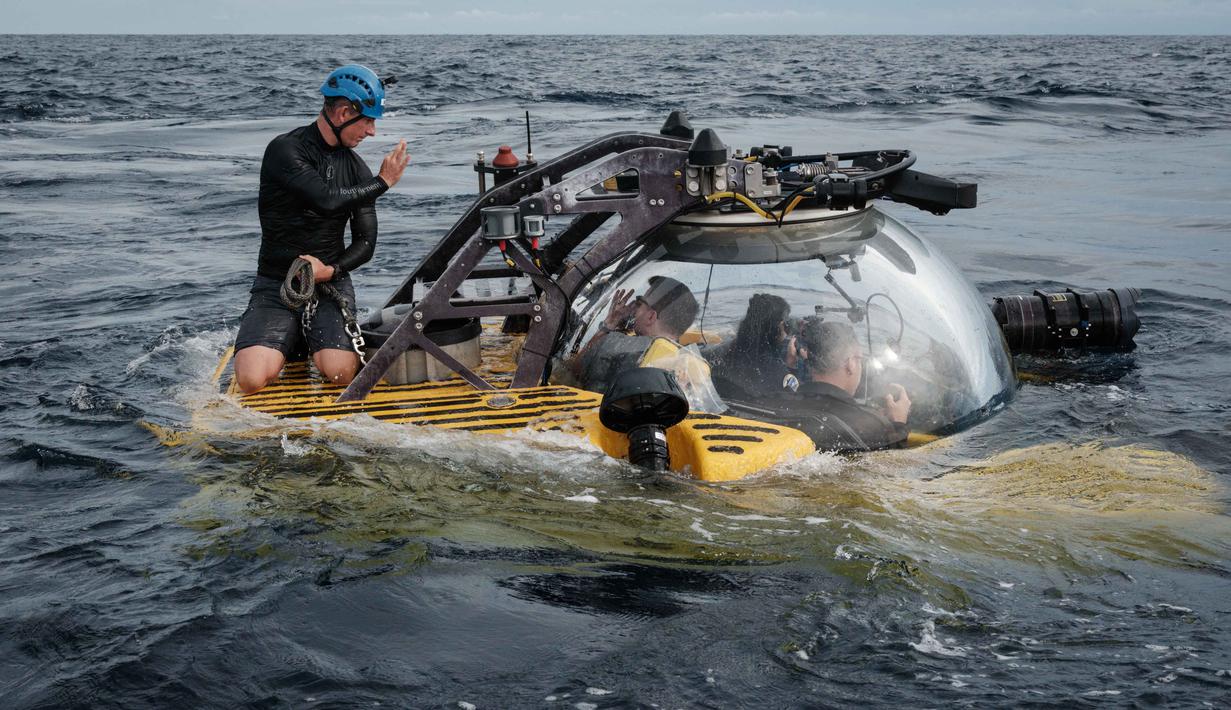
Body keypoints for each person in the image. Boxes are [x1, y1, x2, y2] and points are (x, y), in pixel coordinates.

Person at [233, 64, 410, 394]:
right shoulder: (285, 150)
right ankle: (290, 336)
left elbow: (366, 242)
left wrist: (331, 270)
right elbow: (326, 199)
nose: (372, 132)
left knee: (340, 374)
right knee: (252, 380)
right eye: (368, 121)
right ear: (344, 113)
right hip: (277, 283)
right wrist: (384, 181)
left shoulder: (357, 169)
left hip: (330, 285)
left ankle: (304, 337)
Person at [779, 318, 912, 452]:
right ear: (850, 363)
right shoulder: (869, 427)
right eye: (859, 359)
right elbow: (892, 464)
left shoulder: (780, 402)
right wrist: (898, 423)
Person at [572, 276, 701, 395]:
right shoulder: (687, 365)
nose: (633, 310)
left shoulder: (612, 343)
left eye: (639, 304)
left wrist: (608, 326)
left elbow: (573, 370)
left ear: (651, 316)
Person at [711, 293, 803, 399]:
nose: (786, 327)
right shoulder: (777, 372)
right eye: (784, 323)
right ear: (774, 328)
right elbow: (796, 401)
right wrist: (791, 365)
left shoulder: (729, 350)